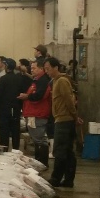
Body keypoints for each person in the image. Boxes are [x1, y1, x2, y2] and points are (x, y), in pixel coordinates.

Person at [44, 58, 81, 187]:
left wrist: (75, 117)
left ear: (56, 67)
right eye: (45, 69)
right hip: (62, 119)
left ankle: (55, 179)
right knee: (68, 152)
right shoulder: (55, 81)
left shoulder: (62, 81)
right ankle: (68, 180)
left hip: (64, 120)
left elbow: (69, 101)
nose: (46, 71)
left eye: (48, 68)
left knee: (60, 151)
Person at [18, 58, 51, 167]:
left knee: (40, 139)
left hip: (38, 114)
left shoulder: (43, 81)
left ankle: (42, 163)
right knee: (37, 139)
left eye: (34, 68)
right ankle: (39, 162)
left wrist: (27, 96)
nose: (31, 70)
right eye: (31, 68)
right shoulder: (37, 80)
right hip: (33, 113)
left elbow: (39, 96)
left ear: (42, 69)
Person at [0, 58, 23, 150]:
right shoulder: (19, 78)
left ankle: (4, 149)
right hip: (16, 108)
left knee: (4, 130)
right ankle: (16, 150)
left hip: (4, 109)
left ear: (6, 67)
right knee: (15, 130)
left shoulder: (3, 79)